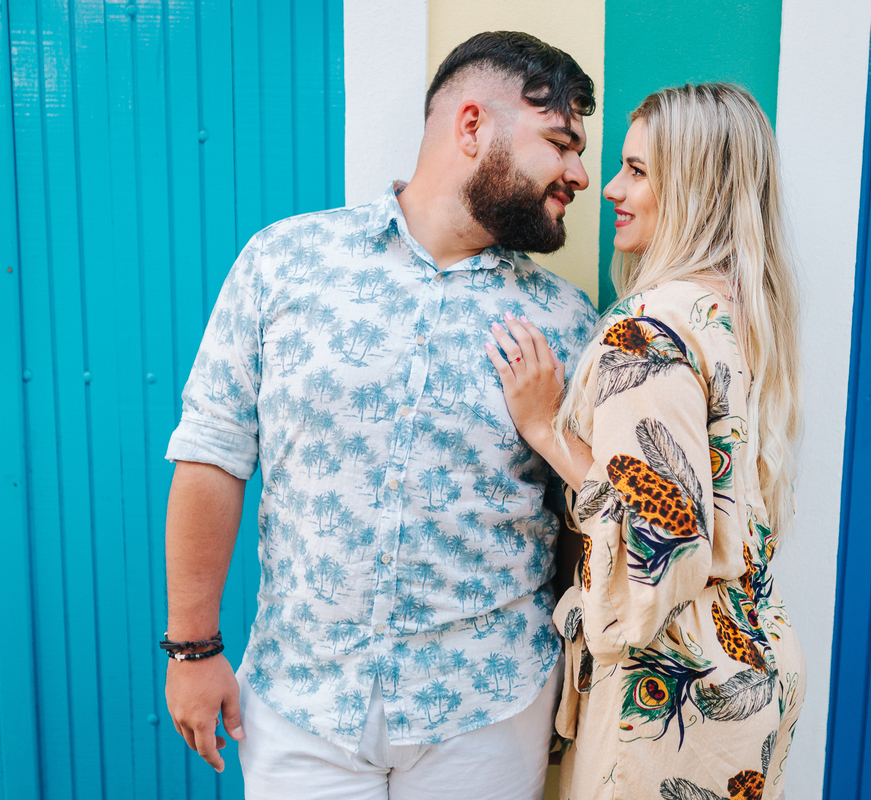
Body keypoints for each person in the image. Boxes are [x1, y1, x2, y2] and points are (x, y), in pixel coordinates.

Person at [161, 31, 599, 800]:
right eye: (561, 144)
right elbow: (212, 454)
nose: (580, 175)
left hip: (490, 711)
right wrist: (192, 650)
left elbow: (578, 516)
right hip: (301, 707)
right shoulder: (284, 263)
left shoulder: (566, 318)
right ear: (472, 126)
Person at [486, 83, 806, 800]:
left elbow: (659, 538)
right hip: (752, 663)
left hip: (671, 692)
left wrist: (543, 426)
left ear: (694, 187)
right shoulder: (738, 312)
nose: (610, 188)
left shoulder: (648, 332)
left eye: (637, 170)